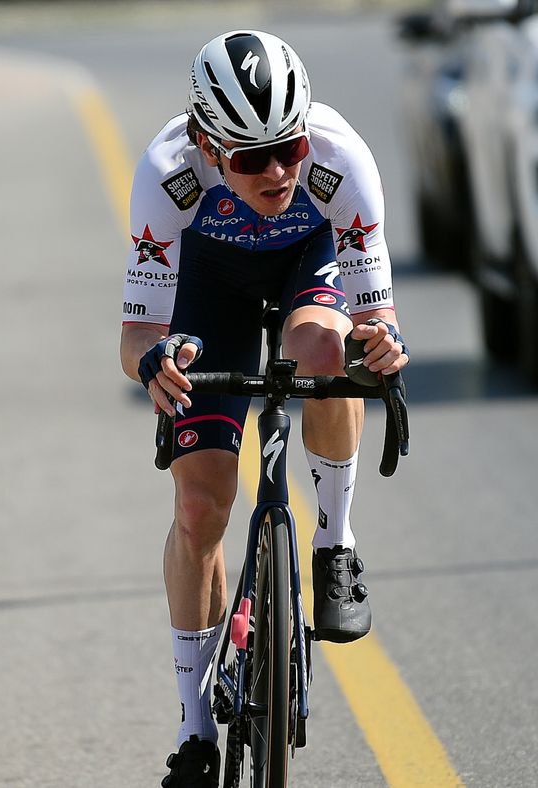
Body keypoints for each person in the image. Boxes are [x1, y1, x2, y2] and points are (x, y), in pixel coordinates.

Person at [118, 30, 409, 786]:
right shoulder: (166, 176)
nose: (279, 172)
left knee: (325, 358)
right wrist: (154, 362)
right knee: (200, 507)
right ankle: (193, 732)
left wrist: (379, 349)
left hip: (307, 262)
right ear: (207, 145)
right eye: (252, 158)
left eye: (289, 148)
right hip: (207, 287)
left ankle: (335, 542)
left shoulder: (340, 162)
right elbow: (139, 333)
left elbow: (378, 321)